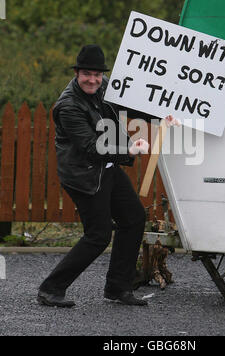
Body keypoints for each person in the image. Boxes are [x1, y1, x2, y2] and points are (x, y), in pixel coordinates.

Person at [38, 44, 179, 307]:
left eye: (97, 74)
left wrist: (162, 116)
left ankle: (117, 288)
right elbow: (91, 148)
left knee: (134, 218)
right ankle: (50, 289)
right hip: (84, 176)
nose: (93, 80)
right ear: (77, 73)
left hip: (108, 168)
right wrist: (129, 149)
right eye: (86, 74)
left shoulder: (104, 87)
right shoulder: (68, 106)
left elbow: (130, 107)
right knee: (98, 235)